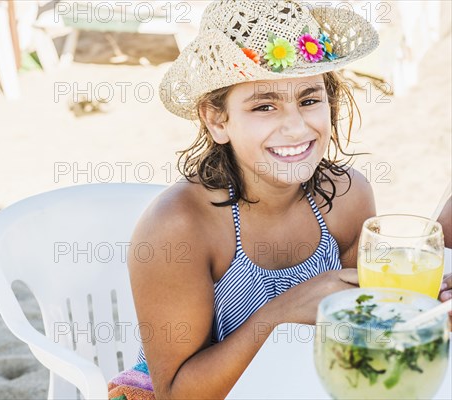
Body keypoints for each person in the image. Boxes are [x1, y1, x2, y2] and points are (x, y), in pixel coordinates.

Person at [108, 1, 380, 399]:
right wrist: (279, 316)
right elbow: (177, 392)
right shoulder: (178, 228)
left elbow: (359, 329)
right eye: (264, 106)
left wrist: (423, 304)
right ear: (217, 120)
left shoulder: (349, 196)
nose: (295, 126)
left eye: (309, 100)